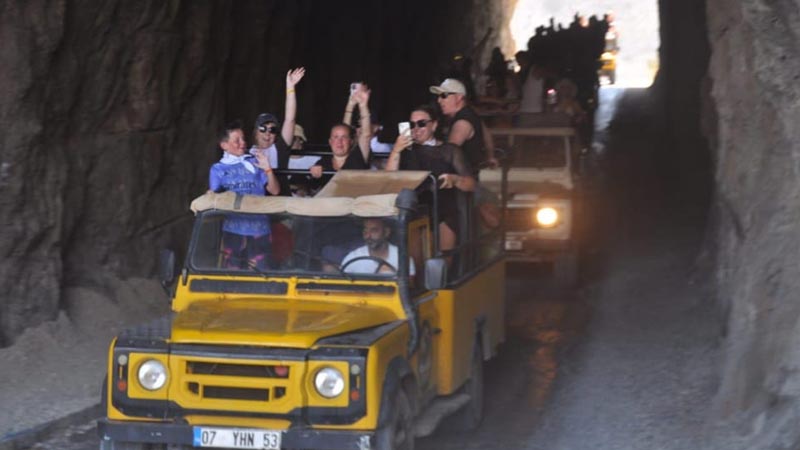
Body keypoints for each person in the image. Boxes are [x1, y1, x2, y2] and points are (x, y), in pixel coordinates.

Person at [384, 104, 476, 254]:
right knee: (417, 261)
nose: (416, 128)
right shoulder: (405, 151)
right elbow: (388, 179)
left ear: (434, 125)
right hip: (414, 211)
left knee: (444, 260)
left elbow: (471, 184)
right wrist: (396, 150)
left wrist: (455, 180)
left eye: (421, 123)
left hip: (444, 210)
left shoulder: (450, 150)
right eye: (412, 124)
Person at [209, 120, 280, 269]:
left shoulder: (255, 162)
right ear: (224, 145)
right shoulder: (217, 169)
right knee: (232, 273)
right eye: (236, 140)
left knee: (261, 272)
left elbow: (275, 191)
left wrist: (268, 169)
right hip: (233, 228)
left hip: (259, 228)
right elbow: (214, 195)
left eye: (243, 139)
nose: (242, 143)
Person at [430, 78, 498, 172]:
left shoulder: (462, 122)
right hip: (469, 177)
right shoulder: (471, 114)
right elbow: (487, 135)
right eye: (438, 96)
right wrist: (491, 156)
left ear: (459, 97)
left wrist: (428, 143)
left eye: (443, 95)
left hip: (461, 180)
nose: (439, 100)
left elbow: (448, 155)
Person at [309, 84, 372, 179]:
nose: (339, 141)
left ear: (350, 141)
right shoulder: (323, 162)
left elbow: (366, 135)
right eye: (336, 137)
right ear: (330, 141)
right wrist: (313, 172)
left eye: (344, 138)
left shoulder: (357, 157)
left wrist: (363, 105)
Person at [341, 218, 415, 275]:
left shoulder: (402, 258)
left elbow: (410, 286)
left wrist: (393, 275)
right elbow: (342, 284)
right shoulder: (352, 258)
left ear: (386, 232)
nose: (368, 236)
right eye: (365, 231)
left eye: (374, 231)